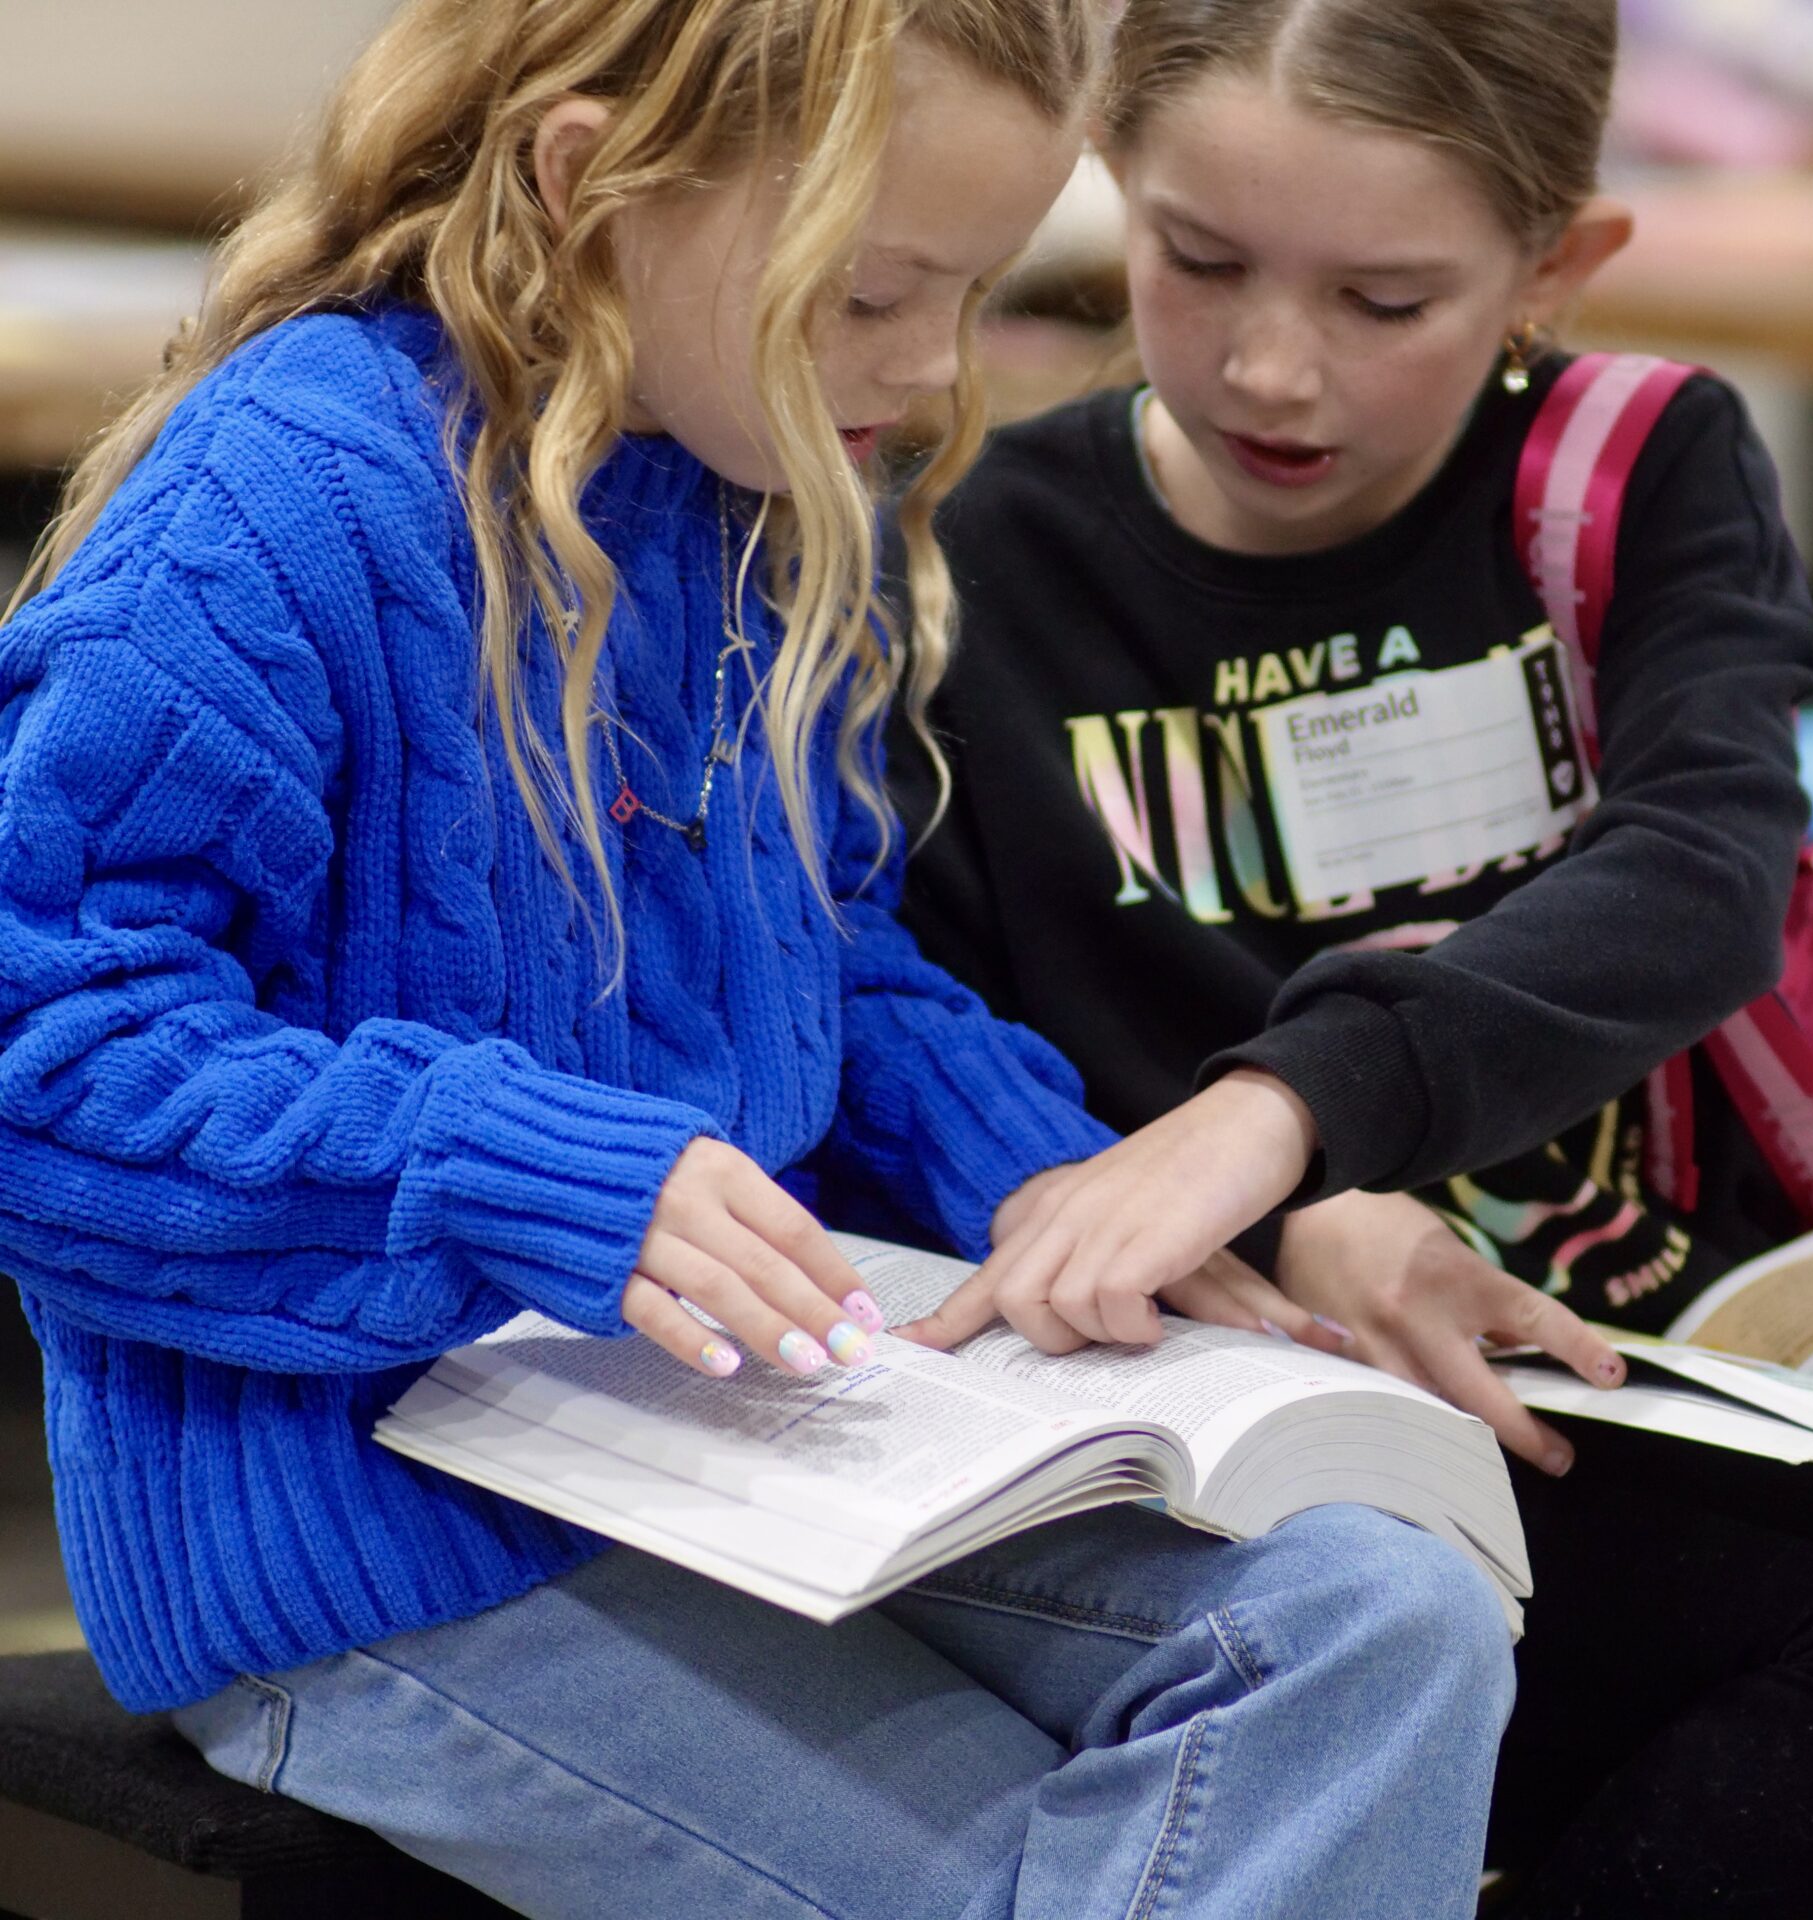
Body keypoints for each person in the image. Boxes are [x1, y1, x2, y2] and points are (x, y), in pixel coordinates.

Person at [887, 1, 1813, 1913]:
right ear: (1116, 185)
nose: (1274, 367)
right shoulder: (963, 556)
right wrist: (1282, 1219)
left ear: (1556, 266)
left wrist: (1297, 1112)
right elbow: (923, 1029)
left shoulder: (1635, 468)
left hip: (1659, 1345)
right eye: (1198, 262)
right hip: (1273, 1407)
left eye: (1385, 301)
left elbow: (1700, 873)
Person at [0, 4, 1518, 1916]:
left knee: (1386, 1614)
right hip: (375, 1525)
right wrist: (524, 1171)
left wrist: (1038, 1180)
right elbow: (41, 1051)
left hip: (735, 1435)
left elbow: (820, 950)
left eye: (973, 293)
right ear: (588, 186)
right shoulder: (290, 496)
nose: (933, 365)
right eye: (870, 292)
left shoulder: (773, 478)